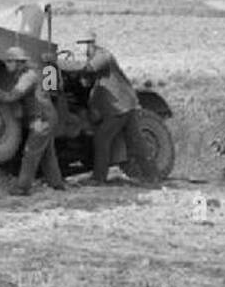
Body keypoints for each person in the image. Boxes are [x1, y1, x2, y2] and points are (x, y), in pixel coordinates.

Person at [59, 30, 159, 185]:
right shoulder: (95, 57)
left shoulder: (103, 56)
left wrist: (57, 63)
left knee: (102, 138)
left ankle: (99, 178)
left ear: (90, 44)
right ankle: (152, 176)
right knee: (135, 142)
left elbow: (88, 69)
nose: (79, 49)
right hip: (123, 104)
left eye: (81, 45)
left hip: (119, 105)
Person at [0, 46, 66, 196]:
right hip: (46, 116)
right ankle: (57, 185)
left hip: (42, 119)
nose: (7, 65)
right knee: (47, 154)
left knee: (30, 153)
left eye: (10, 62)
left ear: (19, 63)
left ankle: (23, 188)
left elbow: (12, 96)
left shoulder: (28, 76)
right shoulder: (28, 74)